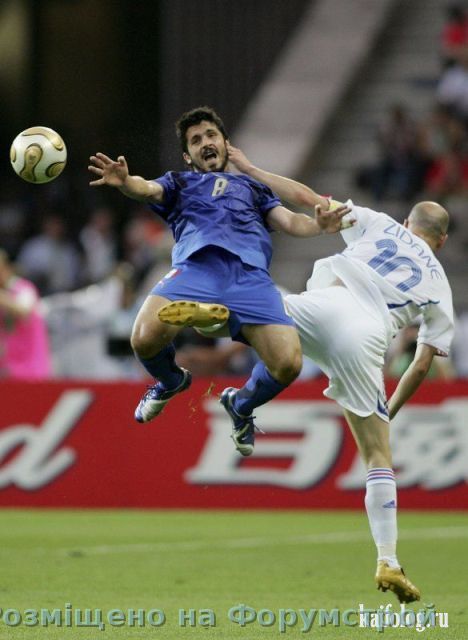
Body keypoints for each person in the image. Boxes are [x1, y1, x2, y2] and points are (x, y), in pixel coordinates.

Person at [184, 144, 454, 605]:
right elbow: (423, 362)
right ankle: (388, 559)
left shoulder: (381, 223)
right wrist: (388, 410)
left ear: (408, 223)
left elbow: (310, 200)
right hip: (367, 337)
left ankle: (221, 317)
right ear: (441, 242)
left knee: (268, 330)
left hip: (325, 302)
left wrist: (249, 167)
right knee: (377, 455)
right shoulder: (442, 288)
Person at [88, 106, 349, 456]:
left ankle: (240, 404)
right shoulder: (180, 182)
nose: (205, 142)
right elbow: (146, 189)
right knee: (143, 338)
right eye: (196, 140)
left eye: (211, 135)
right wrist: (126, 183)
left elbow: (290, 221)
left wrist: (318, 225)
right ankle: (171, 380)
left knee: (288, 363)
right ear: (188, 156)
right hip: (196, 268)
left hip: (250, 278)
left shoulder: (254, 188)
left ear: (225, 143)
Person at [0, 249, 52, 379]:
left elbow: (23, 310)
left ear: (5, 268)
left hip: (32, 369)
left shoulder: (25, 288)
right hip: (9, 370)